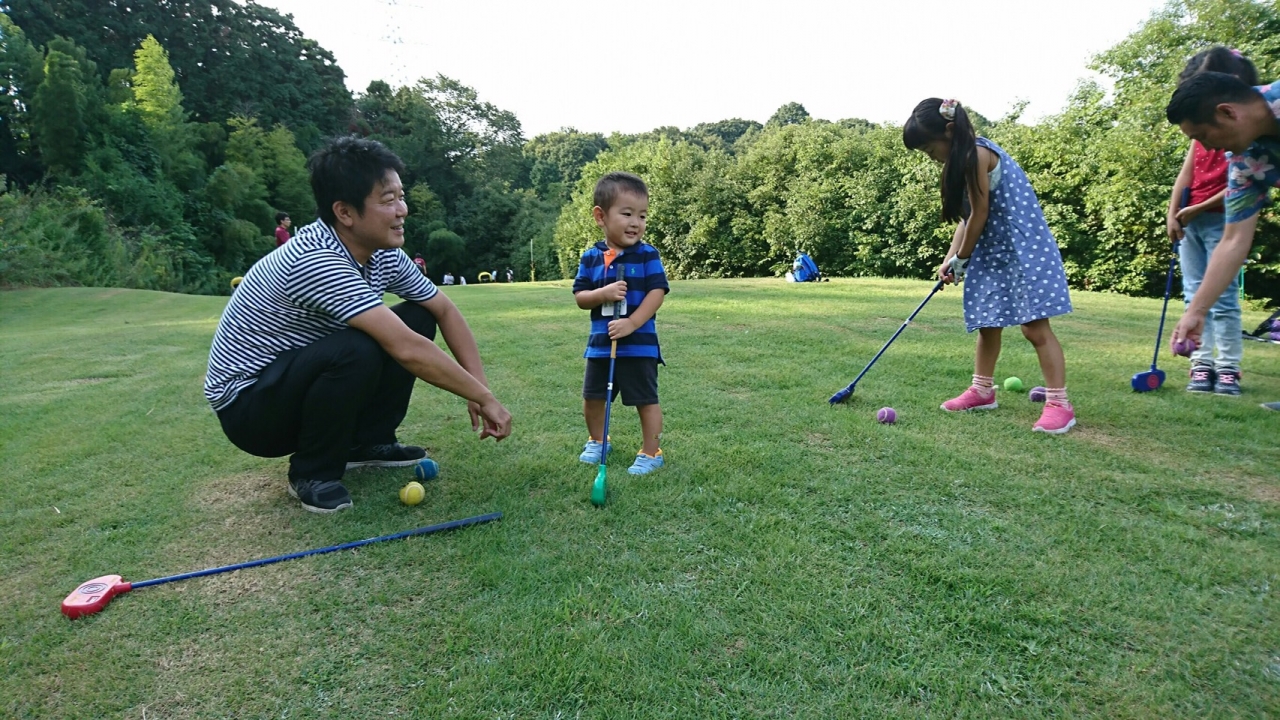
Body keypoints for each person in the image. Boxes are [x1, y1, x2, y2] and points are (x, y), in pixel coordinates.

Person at [205, 136, 513, 513]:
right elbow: (406, 349)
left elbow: (443, 310)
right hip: (250, 409)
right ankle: (313, 473)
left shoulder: (382, 251)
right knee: (359, 347)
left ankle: (368, 443)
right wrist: (486, 400)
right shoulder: (316, 259)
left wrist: (478, 388)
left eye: (401, 196)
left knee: (417, 316)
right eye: (388, 200)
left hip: (292, 381)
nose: (402, 210)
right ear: (345, 212)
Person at [903, 98, 1076, 434]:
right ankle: (982, 390)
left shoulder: (978, 154)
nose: (932, 157)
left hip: (1021, 251)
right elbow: (967, 218)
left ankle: (1059, 403)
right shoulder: (964, 159)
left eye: (930, 149)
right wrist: (951, 258)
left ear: (949, 131)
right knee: (987, 323)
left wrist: (963, 257)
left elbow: (981, 214)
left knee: (1034, 328)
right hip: (995, 253)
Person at [1167, 71, 1280, 412]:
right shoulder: (1245, 163)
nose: (1207, 149)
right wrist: (1195, 312)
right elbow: (1232, 241)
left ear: (1227, 112)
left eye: (1203, 136)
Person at [572, 172, 670, 473]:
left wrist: (632, 323)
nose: (635, 222)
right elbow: (580, 297)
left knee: (646, 400)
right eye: (627, 214)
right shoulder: (590, 257)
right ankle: (598, 440)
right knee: (592, 398)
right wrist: (602, 293)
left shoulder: (647, 254)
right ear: (600, 216)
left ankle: (651, 453)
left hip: (639, 346)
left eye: (642, 215)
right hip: (601, 346)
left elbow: (657, 292)